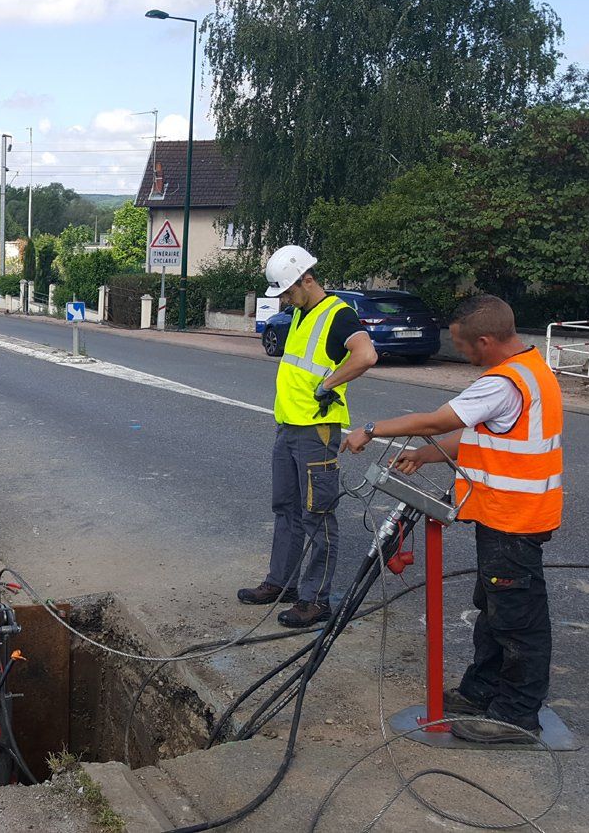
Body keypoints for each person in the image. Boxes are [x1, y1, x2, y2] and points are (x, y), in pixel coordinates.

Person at [342, 294, 563, 744]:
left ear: (485, 340)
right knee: (494, 609)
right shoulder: (529, 371)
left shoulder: (503, 382)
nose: (462, 354)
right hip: (505, 516)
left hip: (512, 519)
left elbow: (438, 420)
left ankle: (516, 716)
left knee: (517, 621)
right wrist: (425, 457)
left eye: (464, 347)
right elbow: (479, 433)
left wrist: (371, 429)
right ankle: (481, 690)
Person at [238, 246, 377, 627]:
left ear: (308, 279)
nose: (283, 299)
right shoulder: (300, 312)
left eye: (287, 291)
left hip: (316, 430)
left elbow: (366, 356)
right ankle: (280, 582)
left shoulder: (338, 315)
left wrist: (329, 383)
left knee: (318, 514)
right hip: (288, 428)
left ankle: (315, 600)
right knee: (286, 509)